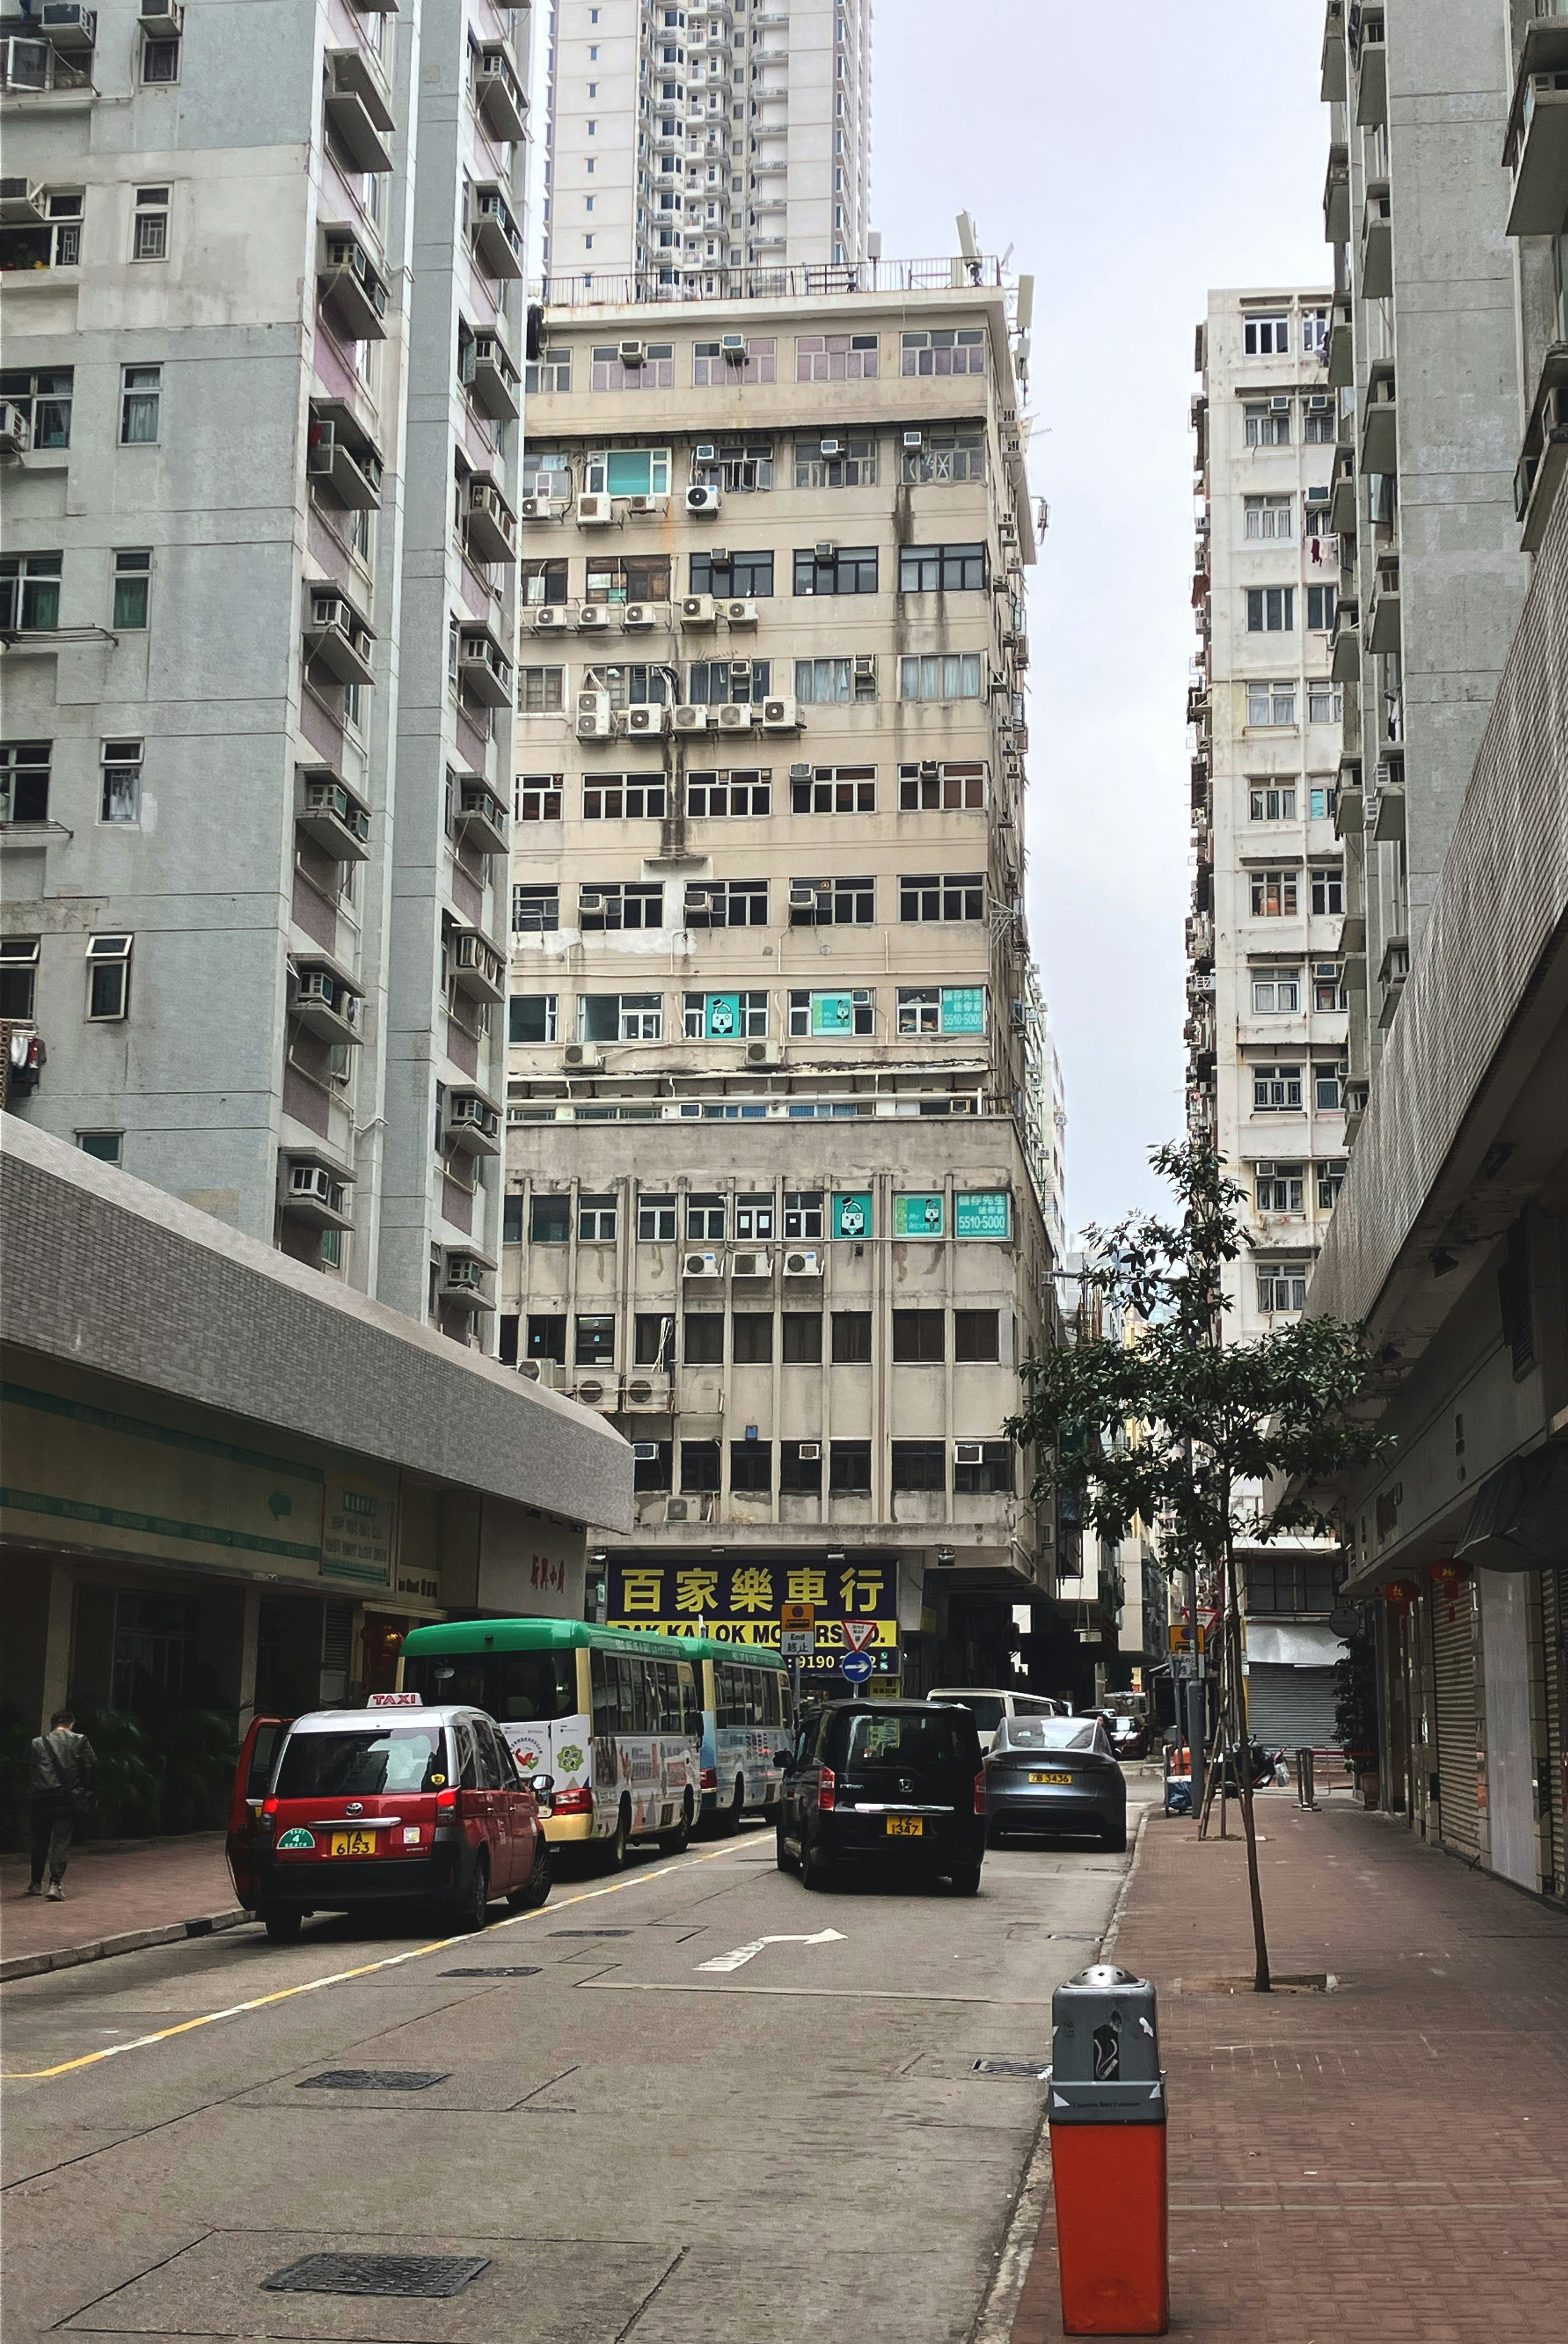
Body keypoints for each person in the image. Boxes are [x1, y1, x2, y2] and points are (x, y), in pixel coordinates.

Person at [27, 1707, 96, 1900]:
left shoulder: (37, 1743)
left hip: (41, 1799)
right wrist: (85, 1792)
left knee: (39, 1843)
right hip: (66, 1799)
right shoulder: (80, 1740)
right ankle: (55, 1885)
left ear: (52, 1725)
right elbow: (90, 1767)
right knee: (61, 1842)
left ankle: (34, 1884)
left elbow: (30, 1770)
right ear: (71, 1724)